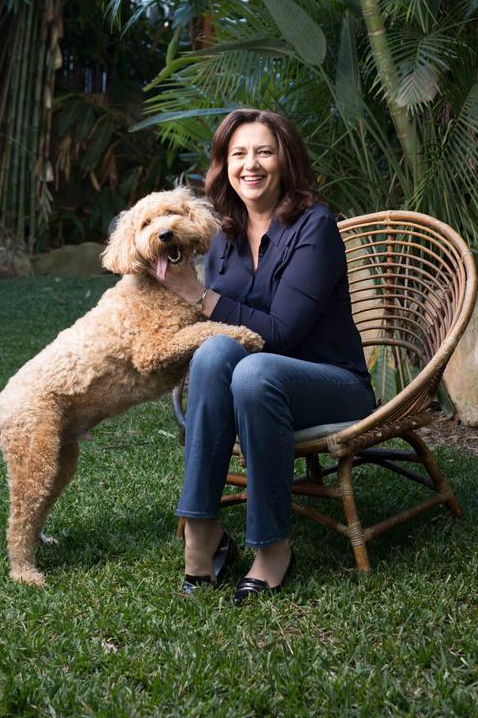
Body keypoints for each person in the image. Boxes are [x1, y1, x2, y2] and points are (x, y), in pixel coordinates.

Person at [155, 108, 376, 604]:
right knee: (213, 355)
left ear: (286, 160)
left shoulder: (314, 225)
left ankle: (273, 547)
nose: (250, 165)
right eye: (238, 154)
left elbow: (280, 333)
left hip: (333, 385)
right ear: (224, 166)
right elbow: (216, 331)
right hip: (254, 383)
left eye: (263, 151)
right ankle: (201, 534)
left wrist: (199, 295)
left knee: (252, 370)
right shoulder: (222, 235)